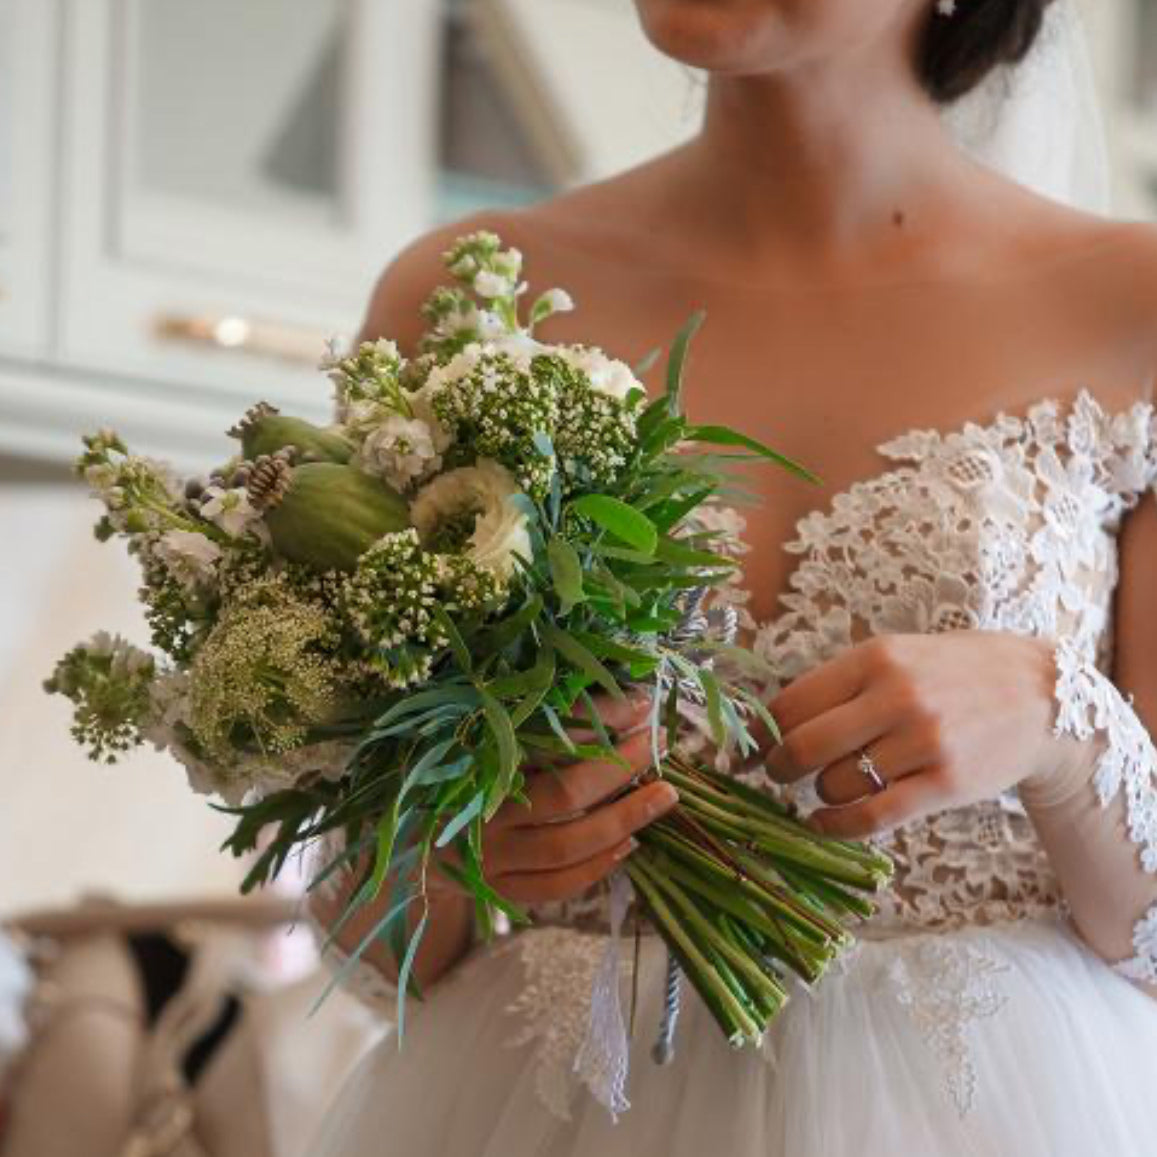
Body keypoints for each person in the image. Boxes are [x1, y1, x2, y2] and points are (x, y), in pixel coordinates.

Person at [308, 1, 1157, 1152]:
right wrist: (456, 848)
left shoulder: (1131, 305)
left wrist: (1056, 723)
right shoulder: (463, 301)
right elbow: (364, 938)